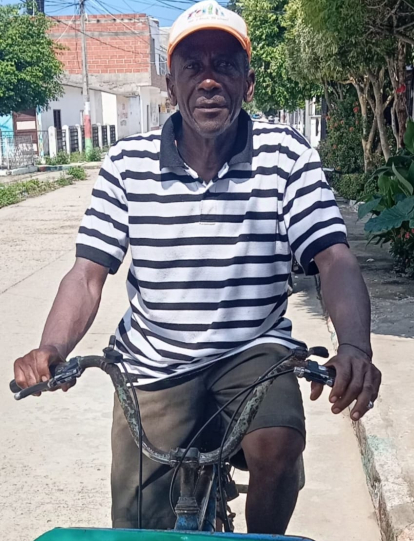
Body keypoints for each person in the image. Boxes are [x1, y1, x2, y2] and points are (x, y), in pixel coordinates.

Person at [13, 0, 381, 535]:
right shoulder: (127, 164)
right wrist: (51, 350)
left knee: (278, 441)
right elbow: (88, 274)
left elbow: (334, 259)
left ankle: (262, 540)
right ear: (171, 84)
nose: (210, 80)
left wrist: (355, 347)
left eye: (225, 65)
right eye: (194, 67)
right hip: (153, 361)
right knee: (138, 526)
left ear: (248, 83)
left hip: (253, 352)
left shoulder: (285, 156)